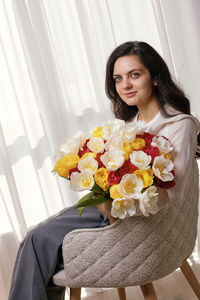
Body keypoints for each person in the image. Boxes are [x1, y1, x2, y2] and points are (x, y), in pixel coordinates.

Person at [8, 41, 200, 300]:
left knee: (37, 241)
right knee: (39, 244)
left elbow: (171, 196)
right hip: (111, 211)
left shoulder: (178, 125)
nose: (126, 85)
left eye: (135, 75)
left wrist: (116, 205)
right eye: (118, 78)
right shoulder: (131, 124)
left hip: (135, 221)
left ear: (155, 77)